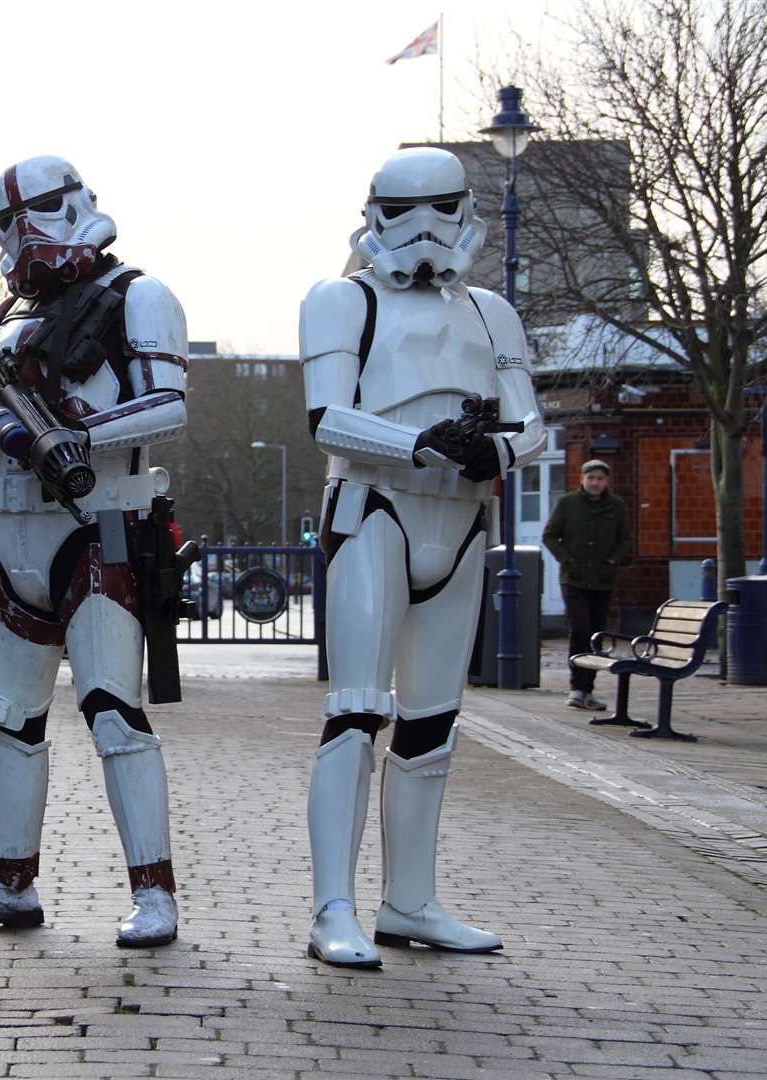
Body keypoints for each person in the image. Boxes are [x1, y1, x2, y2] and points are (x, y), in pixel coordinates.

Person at [0, 155, 191, 948]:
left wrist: (74, 436)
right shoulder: (4, 319)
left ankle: (155, 893)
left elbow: (168, 404)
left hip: (99, 524)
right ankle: (9, 881)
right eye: (7, 221)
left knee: (112, 707)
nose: (21, 232)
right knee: (6, 719)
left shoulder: (138, 296)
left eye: (36, 211)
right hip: (12, 538)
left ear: (76, 203)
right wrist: (5, 425)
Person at [299, 147, 545, 967]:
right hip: (374, 510)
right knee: (358, 709)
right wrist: (420, 442)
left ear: (465, 209)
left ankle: (410, 901)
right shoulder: (342, 300)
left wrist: (496, 456)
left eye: (443, 208)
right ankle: (333, 906)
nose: (426, 230)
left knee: (432, 721)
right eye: (405, 212)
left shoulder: (491, 312)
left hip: (463, 518)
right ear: (373, 214)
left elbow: (530, 420)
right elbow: (329, 419)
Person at [542, 459, 633, 712]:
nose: (595, 483)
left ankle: (588, 690)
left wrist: (613, 561)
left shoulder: (616, 506)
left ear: (607, 482)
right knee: (579, 629)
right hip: (574, 578)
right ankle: (576, 688)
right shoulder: (568, 504)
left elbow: (626, 540)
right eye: (591, 477)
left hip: (602, 581)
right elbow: (550, 535)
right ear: (582, 479)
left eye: (600, 479)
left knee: (596, 634)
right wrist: (567, 560)